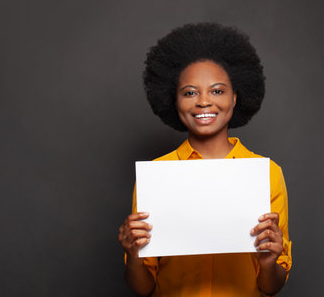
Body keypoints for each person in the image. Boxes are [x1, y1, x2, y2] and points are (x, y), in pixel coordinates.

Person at [117, 23, 292, 297]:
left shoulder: (267, 174)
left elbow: (271, 287)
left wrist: (270, 262)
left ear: (235, 97)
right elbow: (144, 287)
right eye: (190, 92)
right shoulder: (156, 176)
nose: (203, 102)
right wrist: (133, 252)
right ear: (174, 101)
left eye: (217, 91)